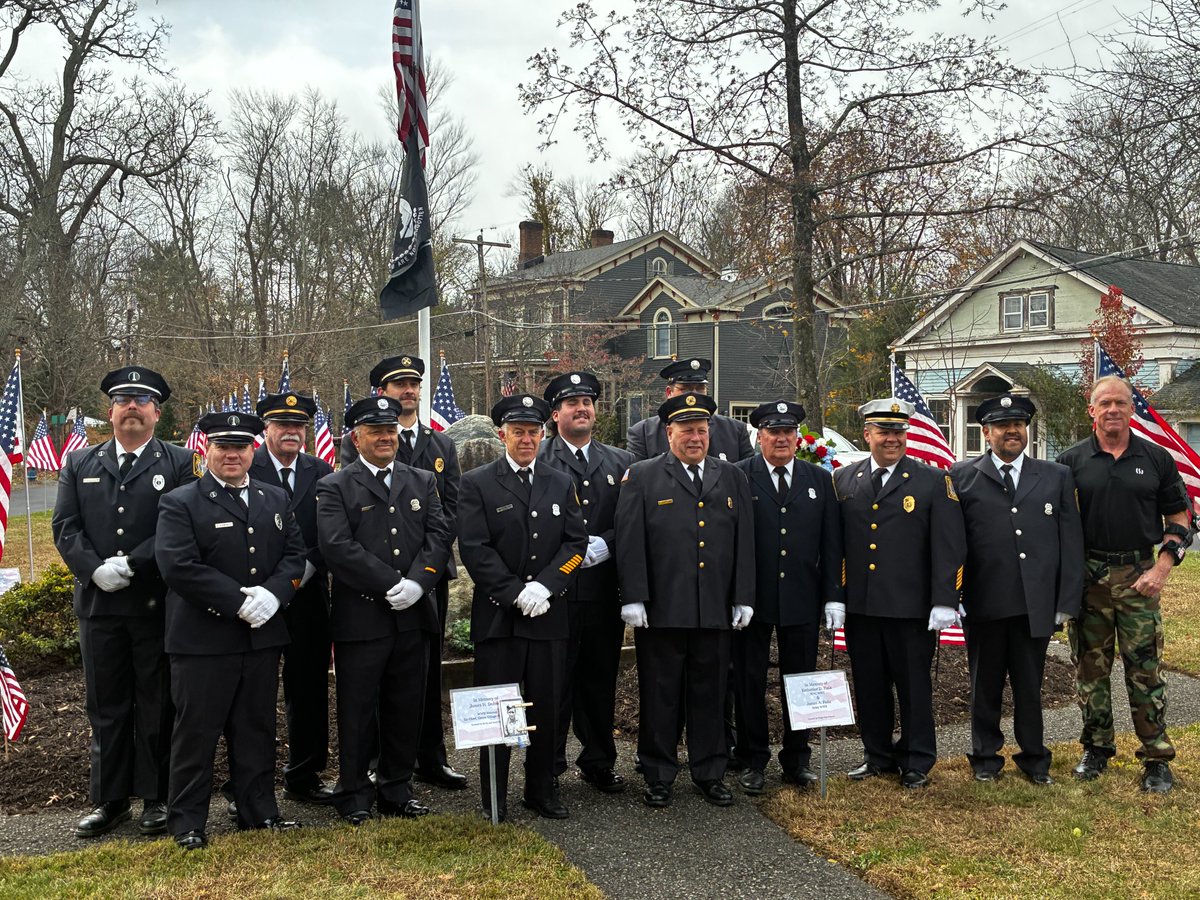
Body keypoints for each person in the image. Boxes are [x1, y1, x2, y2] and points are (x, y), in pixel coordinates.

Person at [52, 366, 199, 839]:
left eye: (142, 400)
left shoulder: (178, 461)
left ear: (157, 411)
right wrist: (94, 569)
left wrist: (131, 565)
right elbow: (65, 526)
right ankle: (111, 799)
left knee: (157, 702)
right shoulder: (79, 462)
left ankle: (155, 797)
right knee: (106, 703)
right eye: (123, 399)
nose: (131, 406)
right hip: (98, 605)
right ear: (109, 411)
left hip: (154, 602)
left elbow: (177, 528)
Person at [155, 411, 305, 850]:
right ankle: (187, 821)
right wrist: (239, 601)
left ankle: (257, 810)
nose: (232, 454)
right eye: (222, 446)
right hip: (204, 640)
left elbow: (295, 555)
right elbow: (178, 566)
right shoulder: (181, 501)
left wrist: (275, 595)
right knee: (196, 732)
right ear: (207, 451)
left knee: (256, 727)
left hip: (261, 636)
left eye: (240, 447)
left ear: (253, 450)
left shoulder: (274, 497)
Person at [615, 393, 755, 808]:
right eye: (687, 430)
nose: (696, 437)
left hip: (714, 608)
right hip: (662, 609)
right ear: (669, 433)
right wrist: (634, 597)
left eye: (702, 429)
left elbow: (743, 540)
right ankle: (658, 774)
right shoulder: (641, 475)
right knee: (660, 694)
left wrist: (743, 596)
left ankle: (709, 770)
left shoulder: (731, 476)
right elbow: (629, 541)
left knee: (710, 693)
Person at [317, 395, 452, 825]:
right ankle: (354, 792)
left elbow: (439, 533)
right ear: (357, 438)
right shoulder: (336, 485)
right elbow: (337, 548)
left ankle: (397, 788)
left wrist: (418, 581)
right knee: (357, 710)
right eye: (376, 431)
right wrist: (391, 582)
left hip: (413, 615)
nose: (385, 438)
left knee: (405, 706)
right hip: (363, 618)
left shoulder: (421, 481)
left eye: (391, 430)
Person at [1057, 375, 1193, 793]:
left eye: (1121, 402)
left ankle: (1156, 758)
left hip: (1139, 576)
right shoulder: (1070, 462)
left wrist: (1162, 569)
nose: (1113, 409)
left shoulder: (1155, 459)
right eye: (1105, 403)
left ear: (1132, 409)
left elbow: (1181, 518)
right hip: (1089, 578)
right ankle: (1096, 749)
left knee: (1145, 671)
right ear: (1092, 411)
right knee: (1090, 669)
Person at [458, 394, 588, 821]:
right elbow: (475, 549)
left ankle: (541, 790)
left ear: (542, 433)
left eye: (534, 432)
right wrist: (515, 592)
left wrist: (547, 588)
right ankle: (494, 794)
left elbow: (575, 543)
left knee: (547, 708)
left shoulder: (558, 480)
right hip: (500, 617)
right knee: (500, 709)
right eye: (518, 432)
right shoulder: (478, 482)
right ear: (503, 435)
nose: (527, 439)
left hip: (548, 616)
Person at [343, 354, 467, 790]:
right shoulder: (359, 440)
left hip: (428, 577)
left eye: (414, 383)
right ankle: (381, 760)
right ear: (383, 392)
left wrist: (421, 574)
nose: (409, 391)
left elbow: (449, 512)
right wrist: (394, 577)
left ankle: (431, 757)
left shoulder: (441, 444)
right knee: (378, 670)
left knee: (424, 670)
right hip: (377, 582)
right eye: (399, 385)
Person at [950, 394, 1084, 784]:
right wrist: (953, 596)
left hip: (1035, 603)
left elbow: (1070, 542)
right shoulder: (962, 476)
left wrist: (1066, 600)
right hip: (984, 601)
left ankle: (1035, 758)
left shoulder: (1055, 475)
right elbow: (952, 543)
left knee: (1030, 685)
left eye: (1019, 424)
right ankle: (985, 758)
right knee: (984, 685)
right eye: (1003, 425)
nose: (1013, 431)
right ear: (986, 432)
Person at [832, 398, 965, 789]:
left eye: (898, 432)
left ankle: (916, 759)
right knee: (870, 685)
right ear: (867, 434)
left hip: (911, 608)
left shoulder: (932, 481)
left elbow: (949, 545)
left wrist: (945, 599)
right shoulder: (844, 480)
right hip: (862, 606)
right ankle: (877, 755)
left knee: (913, 686)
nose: (893, 439)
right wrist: (836, 595)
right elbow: (836, 545)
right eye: (884, 432)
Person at [732, 401, 842, 794]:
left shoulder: (818, 479)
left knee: (801, 681)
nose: (781, 439)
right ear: (758, 436)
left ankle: (797, 759)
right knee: (749, 681)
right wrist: (735, 594)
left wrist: (833, 596)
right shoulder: (739, 476)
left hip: (801, 596)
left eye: (788, 432)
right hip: (753, 599)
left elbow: (831, 544)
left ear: (798, 437)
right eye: (772, 432)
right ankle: (752, 758)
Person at [538, 371, 633, 794]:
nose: (582, 408)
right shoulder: (538, 458)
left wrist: (607, 545)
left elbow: (631, 521)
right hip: (556, 592)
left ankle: (598, 761)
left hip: (602, 592)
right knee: (554, 683)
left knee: (599, 680)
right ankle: (550, 766)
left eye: (588, 402)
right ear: (555, 414)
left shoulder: (621, 462)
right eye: (572, 403)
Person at [252, 391, 335, 804]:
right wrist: (271, 587)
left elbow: (331, 532)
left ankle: (305, 775)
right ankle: (249, 782)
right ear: (266, 428)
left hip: (308, 598)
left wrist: (301, 573)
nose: (291, 432)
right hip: (258, 599)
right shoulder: (247, 467)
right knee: (254, 692)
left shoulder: (322, 471)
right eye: (282, 424)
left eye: (299, 425)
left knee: (309, 689)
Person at [625, 358, 753, 463]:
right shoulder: (643, 433)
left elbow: (748, 478)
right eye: (685, 389)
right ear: (669, 392)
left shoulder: (735, 431)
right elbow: (638, 479)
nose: (693, 395)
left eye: (700, 388)